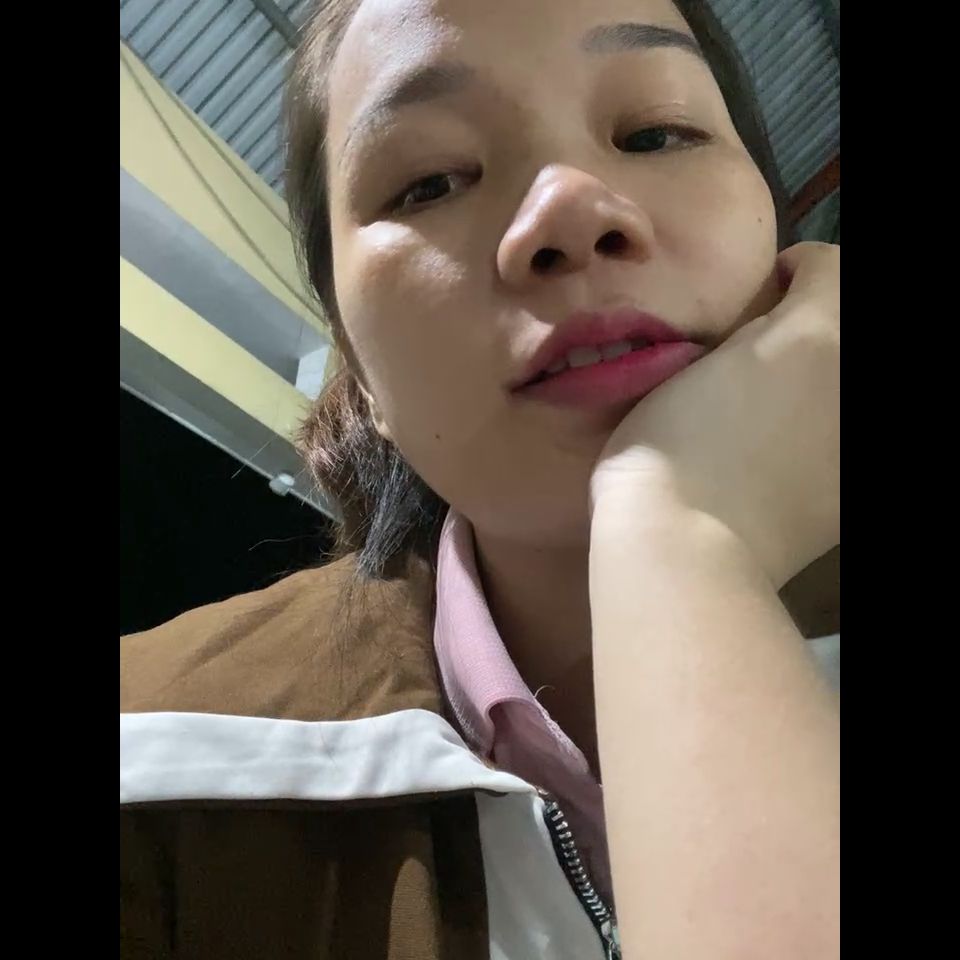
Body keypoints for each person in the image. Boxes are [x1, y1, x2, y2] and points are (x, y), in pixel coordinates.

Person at [120, 0, 840, 956]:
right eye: (428, 184)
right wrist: (688, 532)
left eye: (656, 132)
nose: (572, 209)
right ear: (359, 374)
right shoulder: (155, 768)